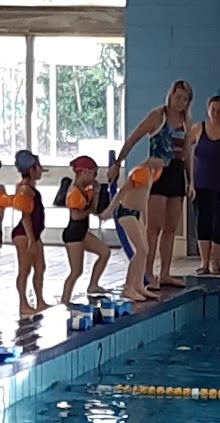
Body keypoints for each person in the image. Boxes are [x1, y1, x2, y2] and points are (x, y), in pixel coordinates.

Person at [107, 79, 194, 290]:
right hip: (155, 174)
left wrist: (191, 181)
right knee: (153, 227)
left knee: (171, 227)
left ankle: (165, 273)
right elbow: (133, 138)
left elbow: (187, 154)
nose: (181, 102)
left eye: (185, 99)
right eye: (178, 97)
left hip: (176, 174)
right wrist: (118, 163)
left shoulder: (187, 122)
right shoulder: (158, 116)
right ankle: (147, 273)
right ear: (170, 96)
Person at [101, 163, 163, 301]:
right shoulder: (141, 172)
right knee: (140, 250)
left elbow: (144, 198)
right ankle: (129, 288)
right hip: (125, 213)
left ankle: (139, 286)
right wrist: (110, 210)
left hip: (136, 214)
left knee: (145, 250)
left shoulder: (154, 172)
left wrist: (145, 219)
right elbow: (122, 191)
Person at [191, 96, 220, 275]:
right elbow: (183, 148)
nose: (215, 113)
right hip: (200, 185)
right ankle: (204, 263)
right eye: (213, 109)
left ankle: (215, 262)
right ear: (207, 110)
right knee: (202, 223)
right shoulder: (198, 128)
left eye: (219, 110)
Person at [61, 156, 111, 305]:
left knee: (105, 252)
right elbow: (76, 216)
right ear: (83, 173)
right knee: (76, 271)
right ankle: (64, 301)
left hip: (82, 233)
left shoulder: (85, 190)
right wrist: (89, 210)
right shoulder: (74, 192)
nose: (94, 177)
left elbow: (94, 210)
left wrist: (96, 193)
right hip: (73, 236)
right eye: (93, 174)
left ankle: (93, 285)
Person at [11, 150, 49, 317]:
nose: (41, 170)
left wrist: (35, 238)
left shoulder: (29, 186)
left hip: (33, 234)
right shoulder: (25, 189)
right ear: (32, 169)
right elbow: (26, 216)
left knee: (40, 267)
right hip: (24, 235)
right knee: (25, 269)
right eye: (39, 167)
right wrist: (31, 240)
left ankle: (40, 301)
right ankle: (23, 304)